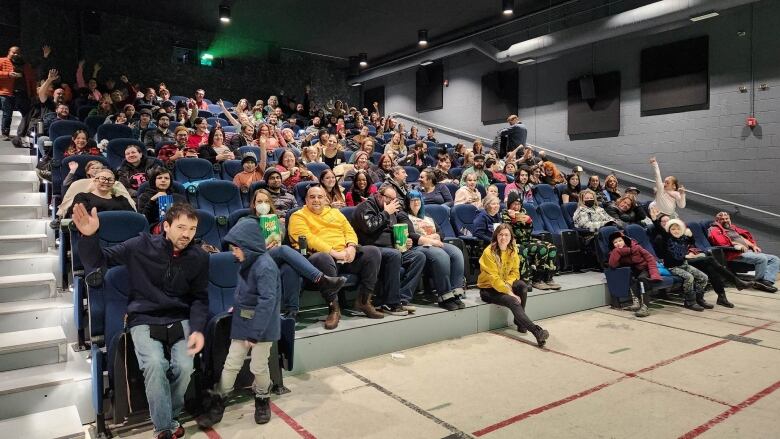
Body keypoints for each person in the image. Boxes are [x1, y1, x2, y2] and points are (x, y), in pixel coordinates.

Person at [72, 202, 208, 439]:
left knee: (185, 367)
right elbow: (98, 261)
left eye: (193, 229)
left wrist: (197, 329)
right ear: (166, 226)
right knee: (155, 365)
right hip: (143, 317)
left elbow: (199, 298)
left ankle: (168, 414)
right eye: (181, 227)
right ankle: (165, 428)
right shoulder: (140, 245)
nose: (187, 234)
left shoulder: (199, 257)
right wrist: (88, 236)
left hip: (178, 316)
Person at [195, 218, 279, 429]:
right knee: (231, 363)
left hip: (262, 326)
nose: (233, 252)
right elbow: (247, 293)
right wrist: (237, 307)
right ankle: (218, 404)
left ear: (248, 246)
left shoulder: (265, 267)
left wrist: (254, 334)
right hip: (244, 320)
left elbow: (267, 302)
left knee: (258, 366)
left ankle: (262, 399)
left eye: (236, 248)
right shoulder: (246, 262)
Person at [289, 185, 385, 329]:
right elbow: (309, 238)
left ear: (326, 199)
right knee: (323, 257)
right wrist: (333, 252)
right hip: (318, 259)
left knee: (373, 252)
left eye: (320, 197)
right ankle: (334, 308)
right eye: (312, 197)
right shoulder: (298, 216)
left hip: (344, 255)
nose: (316, 200)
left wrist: (351, 247)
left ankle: (364, 301)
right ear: (306, 200)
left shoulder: (335, 213)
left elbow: (349, 231)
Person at [352, 184, 426, 315]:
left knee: (419, 256)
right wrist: (386, 212)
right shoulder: (364, 207)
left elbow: (393, 231)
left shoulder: (391, 211)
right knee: (394, 255)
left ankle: (402, 299)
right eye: (389, 198)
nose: (392, 202)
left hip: (392, 248)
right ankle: (390, 303)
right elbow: (370, 227)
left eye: (394, 199)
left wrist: (405, 241)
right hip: (371, 250)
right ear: (379, 196)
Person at [478, 224, 549, 346]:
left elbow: (515, 272)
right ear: (496, 236)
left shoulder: (512, 250)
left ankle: (519, 321)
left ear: (511, 237)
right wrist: (510, 292)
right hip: (489, 289)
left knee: (522, 286)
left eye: (506, 235)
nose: (503, 238)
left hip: (504, 284)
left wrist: (508, 284)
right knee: (513, 301)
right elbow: (494, 279)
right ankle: (537, 331)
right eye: (500, 235)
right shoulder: (488, 252)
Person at [406, 191, 466, 310]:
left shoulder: (426, 215)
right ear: (407, 203)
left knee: (456, 253)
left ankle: (455, 293)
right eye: (412, 200)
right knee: (441, 255)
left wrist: (436, 236)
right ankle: (445, 296)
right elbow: (411, 235)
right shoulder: (404, 215)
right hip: (418, 246)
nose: (416, 202)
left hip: (434, 242)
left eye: (418, 199)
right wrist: (432, 240)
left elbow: (440, 232)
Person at [708, 211, 779, 293]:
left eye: (727, 218)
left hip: (747, 251)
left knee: (774, 259)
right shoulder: (714, 229)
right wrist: (737, 245)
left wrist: (753, 245)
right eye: (722, 219)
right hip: (734, 253)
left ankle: (767, 281)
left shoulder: (731, 228)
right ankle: (759, 282)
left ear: (729, 219)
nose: (725, 220)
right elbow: (721, 242)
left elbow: (741, 238)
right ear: (717, 220)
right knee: (761, 258)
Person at [502, 192, 560, 290]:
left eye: (519, 204)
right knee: (542, 248)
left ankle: (547, 277)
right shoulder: (505, 214)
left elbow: (529, 231)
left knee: (552, 247)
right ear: (509, 205)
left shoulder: (524, 213)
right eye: (514, 204)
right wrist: (515, 219)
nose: (517, 207)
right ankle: (533, 279)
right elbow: (509, 230)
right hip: (514, 242)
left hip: (527, 240)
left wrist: (528, 222)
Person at [654, 219, 710, 311]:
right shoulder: (667, 238)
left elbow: (692, 242)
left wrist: (690, 235)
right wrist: (655, 220)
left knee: (704, 277)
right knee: (689, 277)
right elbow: (660, 229)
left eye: (678, 229)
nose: (676, 231)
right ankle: (689, 302)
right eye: (673, 229)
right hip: (672, 267)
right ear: (669, 230)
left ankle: (699, 299)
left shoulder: (684, 238)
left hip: (684, 264)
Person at [608, 231, 662, 317]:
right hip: (633, 272)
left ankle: (645, 307)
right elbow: (613, 265)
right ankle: (636, 303)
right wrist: (617, 251)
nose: (618, 243)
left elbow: (650, 259)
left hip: (645, 269)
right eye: (615, 242)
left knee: (642, 280)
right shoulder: (615, 252)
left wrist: (654, 274)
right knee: (630, 278)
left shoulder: (636, 247)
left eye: (620, 240)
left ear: (625, 240)